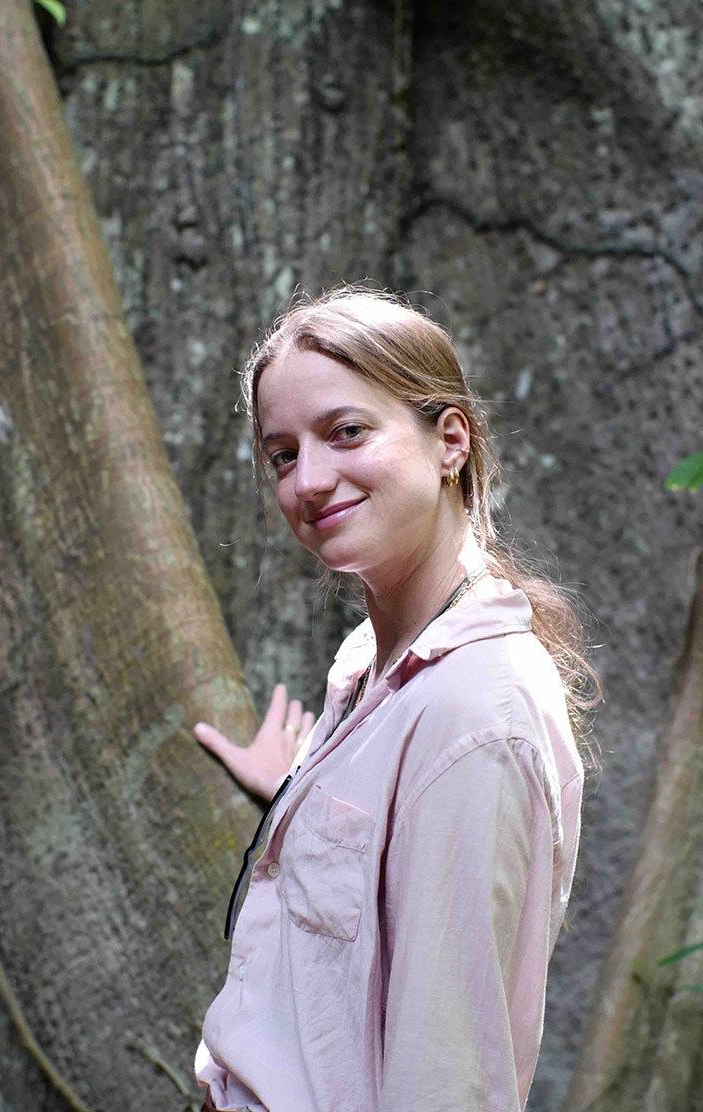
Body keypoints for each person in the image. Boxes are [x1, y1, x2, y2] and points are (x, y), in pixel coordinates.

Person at [189, 287, 598, 1111]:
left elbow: (447, 1079)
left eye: (346, 432)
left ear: (450, 439)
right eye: (281, 453)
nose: (308, 480)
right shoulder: (374, 667)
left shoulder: (474, 715)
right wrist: (296, 796)